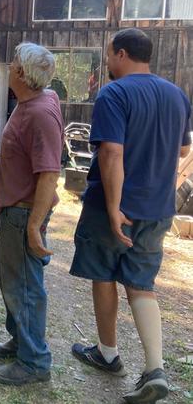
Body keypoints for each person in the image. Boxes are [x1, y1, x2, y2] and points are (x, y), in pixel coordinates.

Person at [69, 28, 191, 404]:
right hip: (157, 209)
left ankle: (108, 353)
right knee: (141, 284)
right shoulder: (177, 95)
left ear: (121, 54)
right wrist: (165, 185)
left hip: (116, 206)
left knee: (103, 274)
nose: (107, 62)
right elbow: (185, 148)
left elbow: (111, 153)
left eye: (108, 54)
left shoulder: (114, 93)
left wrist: (112, 207)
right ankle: (154, 368)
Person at [0, 42, 64, 385]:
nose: (10, 63)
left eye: (14, 60)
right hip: (16, 211)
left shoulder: (39, 112)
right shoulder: (37, 100)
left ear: (21, 73)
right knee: (11, 281)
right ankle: (21, 340)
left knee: (25, 288)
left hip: (23, 216)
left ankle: (34, 362)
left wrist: (35, 225)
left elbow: (50, 171)